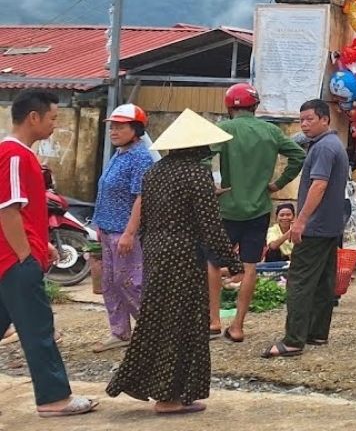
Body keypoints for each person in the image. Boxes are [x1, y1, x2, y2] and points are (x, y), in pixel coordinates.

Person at [106, 108, 241, 415]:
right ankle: (170, 397)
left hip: (155, 250)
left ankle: (147, 385)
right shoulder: (197, 174)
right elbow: (209, 223)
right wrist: (230, 261)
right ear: (197, 146)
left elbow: (147, 220)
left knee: (157, 320)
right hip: (183, 255)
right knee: (185, 324)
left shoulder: (154, 173)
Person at [0, 90, 99, 419]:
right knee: (38, 329)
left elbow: (22, 213)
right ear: (34, 117)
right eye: (53, 118)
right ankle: (54, 399)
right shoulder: (14, 155)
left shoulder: (18, 154)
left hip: (13, 256)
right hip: (15, 262)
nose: (56, 125)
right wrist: (27, 255)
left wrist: (44, 245)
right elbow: (8, 211)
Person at [207, 83, 306, 344]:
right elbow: (298, 155)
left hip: (227, 208)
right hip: (259, 209)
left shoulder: (223, 129)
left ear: (230, 107)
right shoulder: (271, 131)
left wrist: (211, 186)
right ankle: (238, 326)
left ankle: (214, 321)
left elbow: (202, 158)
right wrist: (279, 183)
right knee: (250, 265)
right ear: (254, 106)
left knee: (214, 263)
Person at [261, 99, 349, 358]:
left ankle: (293, 340)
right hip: (330, 226)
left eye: (310, 119)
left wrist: (301, 221)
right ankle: (317, 332)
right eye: (302, 120)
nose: (305, 124)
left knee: (299, 281)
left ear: (325, 119)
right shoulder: (333, 145)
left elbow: (318, 186)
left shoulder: (323, 148)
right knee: (323, 281)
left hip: (316, 226)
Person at [91, 103, 155, 353]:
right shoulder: (120, 153)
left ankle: (153, 330)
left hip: (125, 231)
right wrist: (99, 222)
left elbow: (141, 197)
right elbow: (107, 190)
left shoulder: (141, 157)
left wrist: (129, 233)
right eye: (112, 126)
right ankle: (120, 332)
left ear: (136, 129)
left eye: (120, 126)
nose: (114, 131)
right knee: (109, 282)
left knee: (129, 281)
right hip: (108, 229)